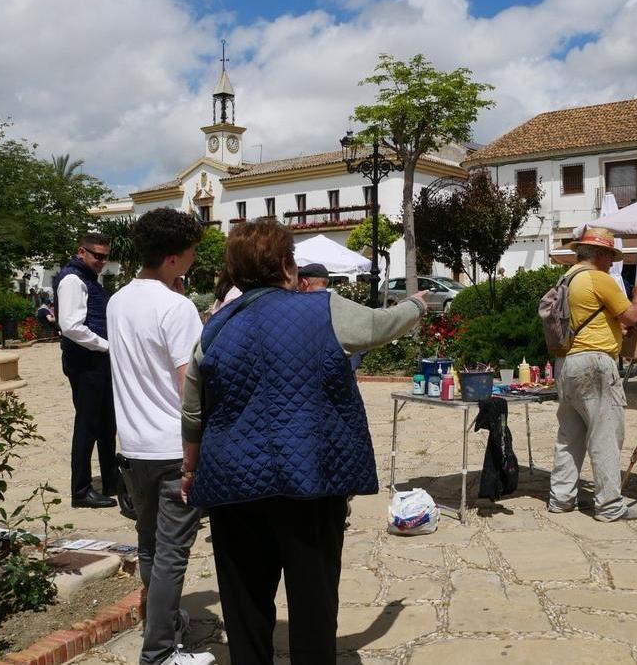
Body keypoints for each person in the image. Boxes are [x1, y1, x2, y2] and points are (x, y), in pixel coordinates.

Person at [180, 219, 427, 664]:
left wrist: (190, 468)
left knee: (244, 606)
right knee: (313, 602)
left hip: (232, 484)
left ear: (234, 273)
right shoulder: (323, 309)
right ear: (286, 266)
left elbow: (193, 408)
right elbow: (379, 326)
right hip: (311, 477)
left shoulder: (213, 329)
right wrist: (416, 305)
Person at [107, 208, 212, 665]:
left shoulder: (117, 301)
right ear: (172, 258)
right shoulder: (176, 307)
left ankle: (164, 624)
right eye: (190, 253)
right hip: (172, 449)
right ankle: (160, 653)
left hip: (132, 447)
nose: (192, 261)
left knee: (149, 545)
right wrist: (198, 457)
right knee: (171, 554)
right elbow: (192, 390)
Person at [549, 227, 637, 522]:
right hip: (594, 363)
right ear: (601, 254)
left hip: (566, 363)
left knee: (570, 435)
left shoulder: (567, 278)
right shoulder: (598, 278)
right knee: (605, 434)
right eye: (610, 256)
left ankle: (561, 499)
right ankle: (608, 505)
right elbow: (630, 315)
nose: (611, 263)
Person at [53, 232, 118, 508]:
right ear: (82, 252)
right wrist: (106, 346)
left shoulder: (88, 279)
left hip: (96, 361)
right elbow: (70, 326)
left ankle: (111, 480)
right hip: (85, 362)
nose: (102, 262)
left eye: (105, 257)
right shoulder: (72, 280)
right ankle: (80, 490)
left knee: (106, 423)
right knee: (87, 425)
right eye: (97, 256)